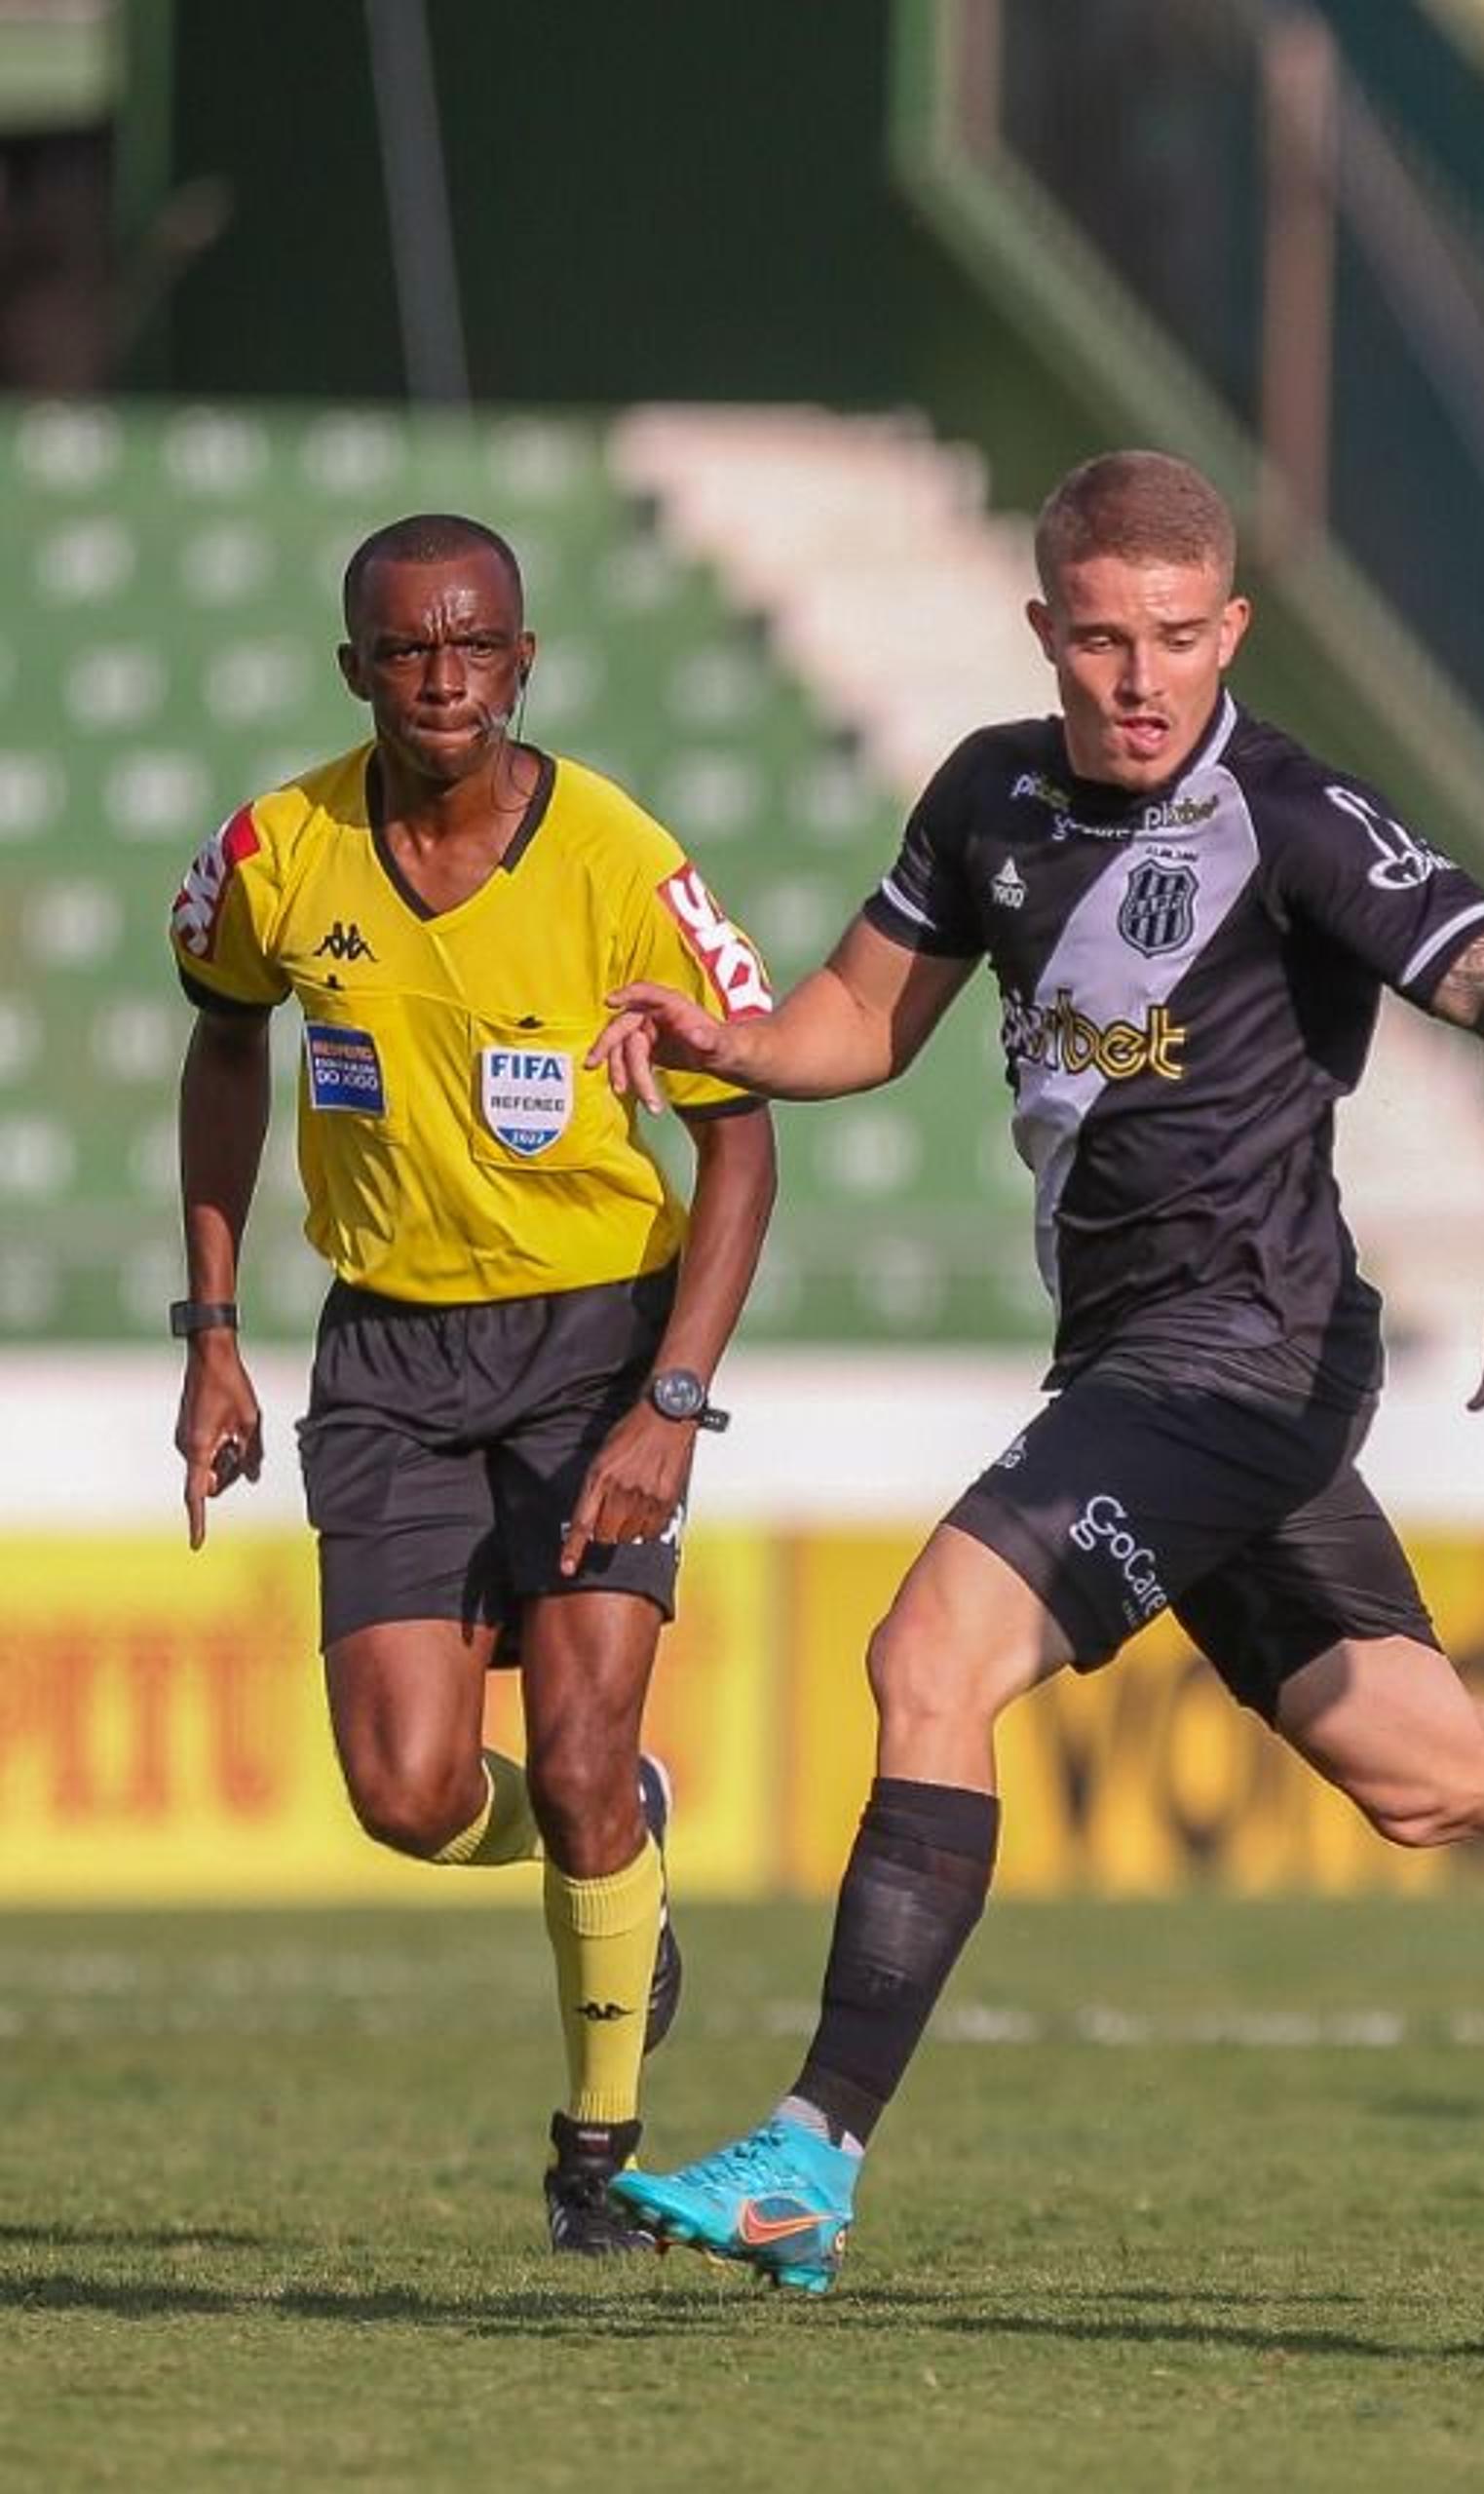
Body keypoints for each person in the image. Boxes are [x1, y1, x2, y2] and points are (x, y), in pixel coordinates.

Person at [584, 451, 1484, 2293]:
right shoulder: (987, 796)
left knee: (929, 1652)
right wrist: (734, 1037)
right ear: (1045, 632)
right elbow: (863, 1016)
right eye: (1100, 639)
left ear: (1230, 626)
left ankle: (815, 2147)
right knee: (1435, 1770)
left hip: (1239, 1362)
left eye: (1176, 637)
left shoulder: (1297, 813)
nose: (1138, 677)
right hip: (1147, 1362)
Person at [168, 513, 780, 2251]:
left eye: (475, 645)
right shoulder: (273, 852)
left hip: (596, 1339)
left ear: (526, 661)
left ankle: (596, 2160)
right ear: (354, 667)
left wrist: (669, 1401)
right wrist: (210, 1327)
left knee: (580, 1748)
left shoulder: (617, 857)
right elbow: (222, 1043)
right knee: (409, 1789)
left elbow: (744, 1149)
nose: (443, 677)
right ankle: (622, 1850)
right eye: (407, 649)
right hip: (387, 1349)